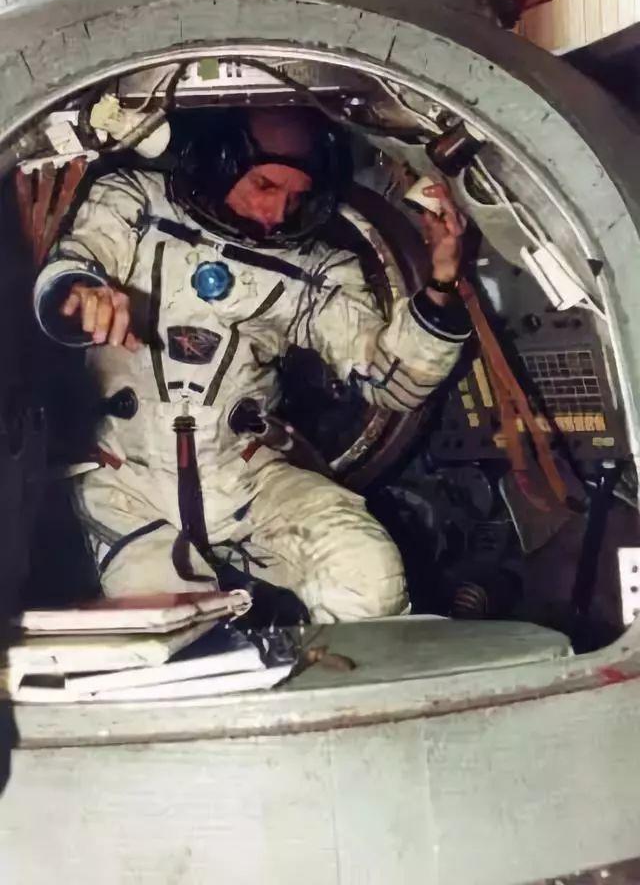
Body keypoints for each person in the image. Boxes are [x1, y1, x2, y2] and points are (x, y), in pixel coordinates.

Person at [33, 106, 471, 623]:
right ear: (220, 164)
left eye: (296, 197)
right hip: (125, 482)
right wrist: (82, 294)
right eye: (265, 185)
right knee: (171, 626)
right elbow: (78, 264)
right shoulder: (135, 203)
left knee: (370, 577)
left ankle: (336, 675)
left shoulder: (316, 271)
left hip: (242, 478)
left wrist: (441, 283)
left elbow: (394, 383)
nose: (278, 212)